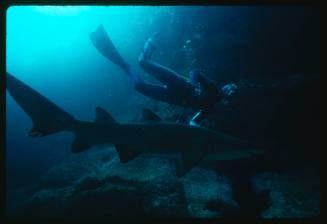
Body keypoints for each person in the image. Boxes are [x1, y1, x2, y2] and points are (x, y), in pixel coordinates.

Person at [90, 25, 231, 126]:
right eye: (231, 90)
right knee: (143, 62)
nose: (230, 94)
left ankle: (125, 66)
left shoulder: (210, 109)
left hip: (173, 97)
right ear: (226, 89)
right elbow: (193, 72)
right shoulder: (213, 88)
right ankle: (150, 44)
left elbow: (194, 121)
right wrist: (195, 85)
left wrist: (194, 127)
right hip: (180, 83)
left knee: (139, 87)